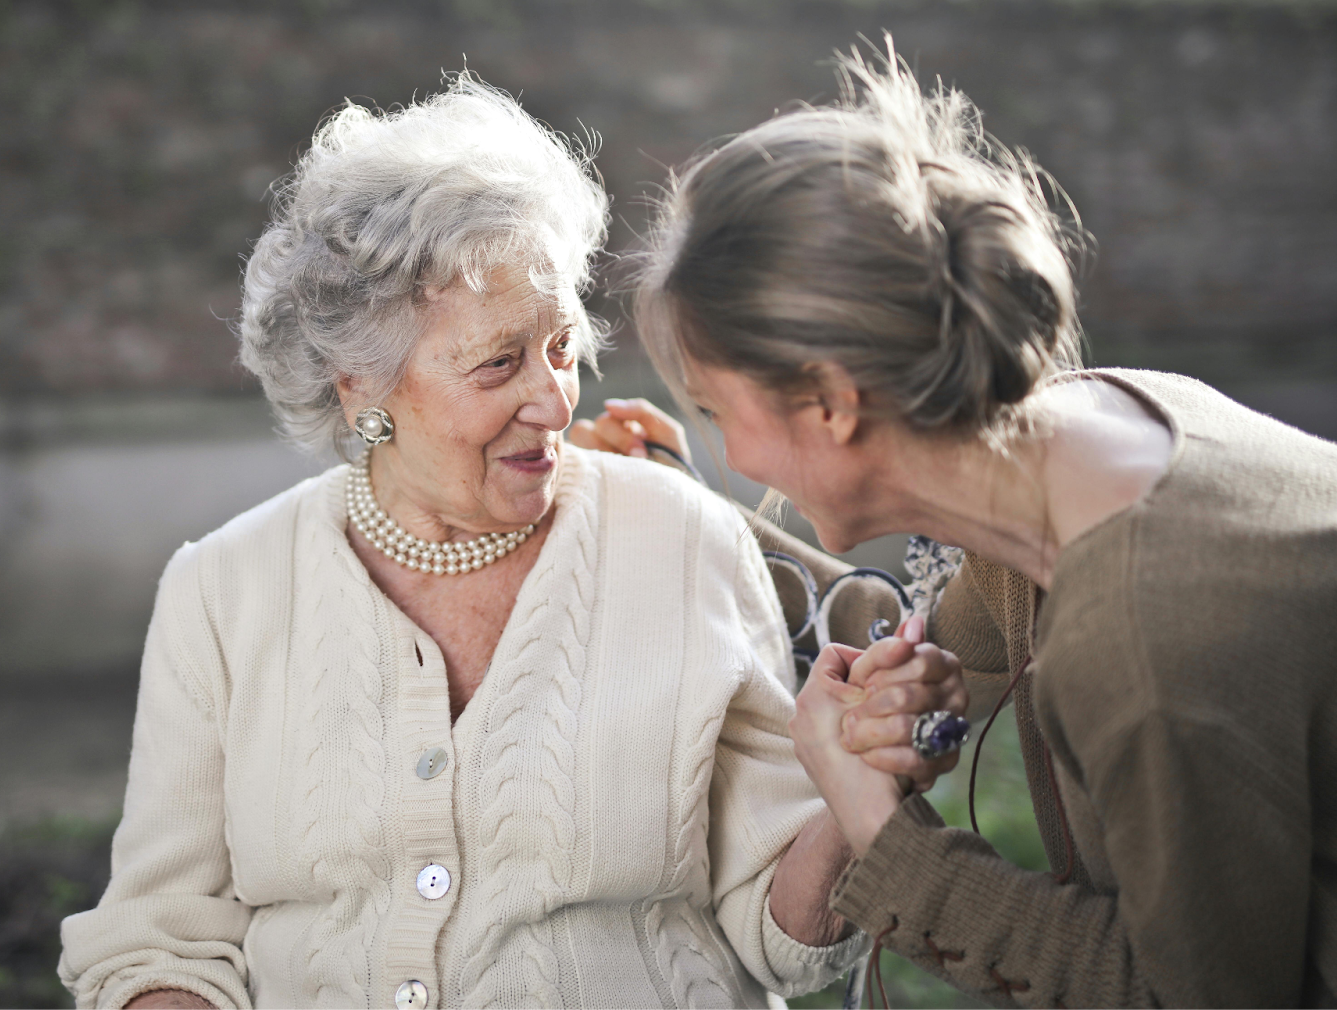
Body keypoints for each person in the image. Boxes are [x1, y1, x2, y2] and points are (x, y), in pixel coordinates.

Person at [56, 76, 965, 1010]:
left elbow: (785, 943)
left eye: (562, 347)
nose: (554, 399)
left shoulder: (681, 540)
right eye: (499, 362)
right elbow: (158, 939)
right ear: (359, 386)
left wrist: (853, 793)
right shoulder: (221, 590)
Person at [595, 44, 1337, 1009]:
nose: (733, 453)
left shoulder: (1144, 643)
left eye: (715, 411)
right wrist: (673, 502)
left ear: (828, 404)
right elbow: (916, 637)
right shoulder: (1085, 437)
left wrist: (884, 836)